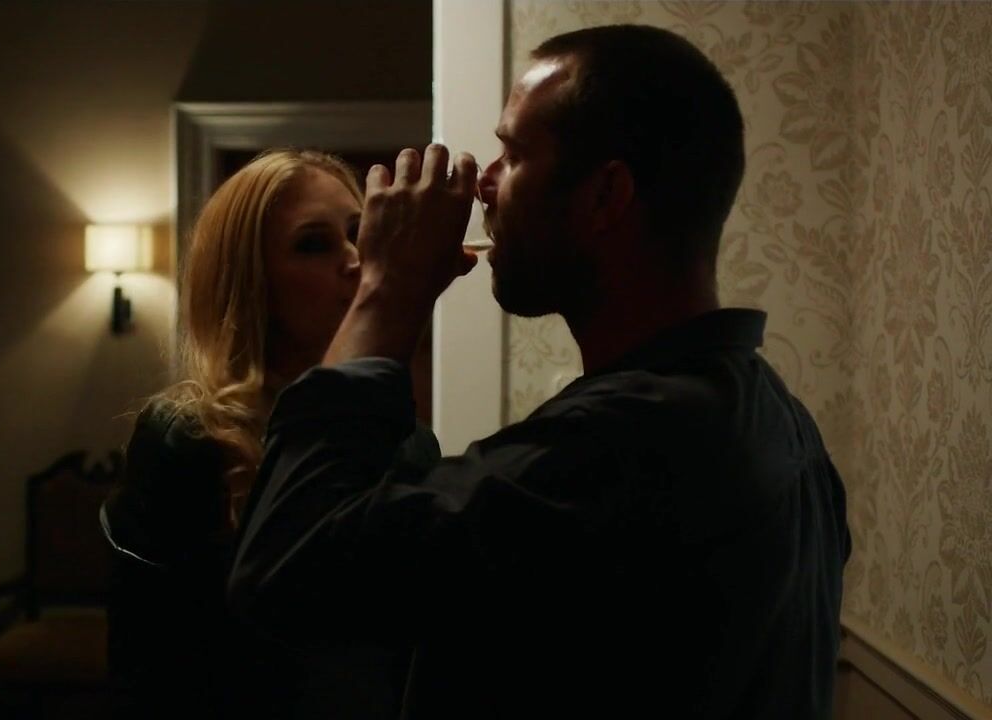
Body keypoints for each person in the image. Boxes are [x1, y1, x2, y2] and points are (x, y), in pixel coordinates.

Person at [229, 25, 851, 719]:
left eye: (514, 154)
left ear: (604, 195)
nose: (484, 184)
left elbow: (286, 571)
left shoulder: (619, 448)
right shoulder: (773, 415)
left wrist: (387, 289)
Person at [100, 149, 437, 718]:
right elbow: (153, 664)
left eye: (358, 234)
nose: (355, 260)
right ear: (253, 281)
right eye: (313, 244)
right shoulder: (189, 439)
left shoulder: (406, 440)